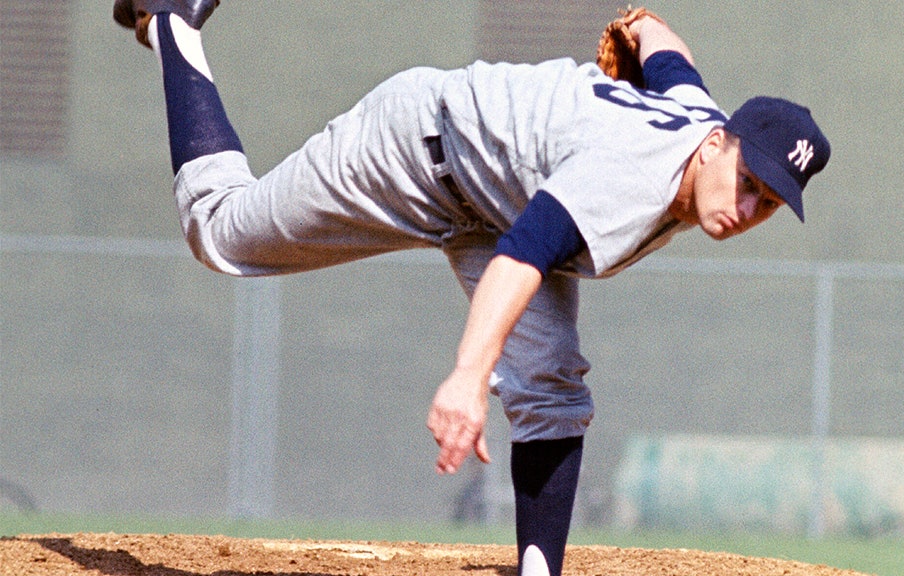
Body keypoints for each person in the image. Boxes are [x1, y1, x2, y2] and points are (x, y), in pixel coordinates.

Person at [113, 2, 830, 575]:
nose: (746, 209)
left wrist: (633, 23)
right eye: (747, 182)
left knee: (552, 388)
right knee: (222, 233)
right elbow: (523, 257)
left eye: (768, 202)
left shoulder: (700, 117)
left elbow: (662, 42)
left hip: (495, 203)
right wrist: (468, 375)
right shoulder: (635, 173)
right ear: (717, 145)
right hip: (412, 153)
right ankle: (173, 20)